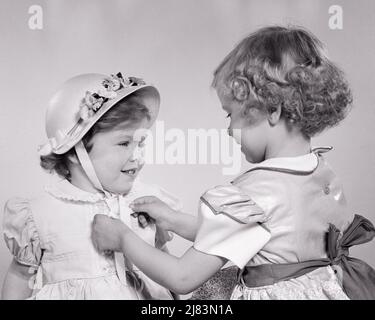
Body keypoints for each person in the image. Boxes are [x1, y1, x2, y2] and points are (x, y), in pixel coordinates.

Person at [91, 26, 375, 299]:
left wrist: (123, 239)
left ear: (272, 111)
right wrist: (175, 221)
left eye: (232, 115)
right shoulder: (320, 172)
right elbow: (260, 236)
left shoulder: (255, 193)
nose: (228, 130)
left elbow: (183, 277)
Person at [2, 72, 180, 300]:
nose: (138, 156)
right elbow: (19, 276)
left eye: (140, 142)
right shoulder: (41, 215)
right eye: (124, 143)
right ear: (77, 152)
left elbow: (165, 268)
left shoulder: (148, 202)